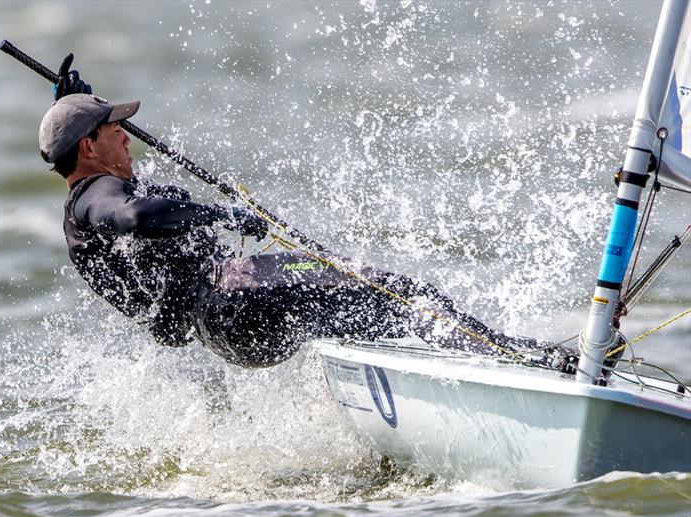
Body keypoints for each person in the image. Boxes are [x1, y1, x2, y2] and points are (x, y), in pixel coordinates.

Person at [41, 55, 568, 369]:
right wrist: (221, 215)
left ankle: (421, 380)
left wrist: (77, 105)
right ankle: (519, 358)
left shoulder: (85, 206)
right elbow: (135, 217)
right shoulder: (98, 196)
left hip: (227, 328)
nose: (128, 142)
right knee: (402, 295)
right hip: (236, 299)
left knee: (365, 309)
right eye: (116, 132)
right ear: (88, 149)